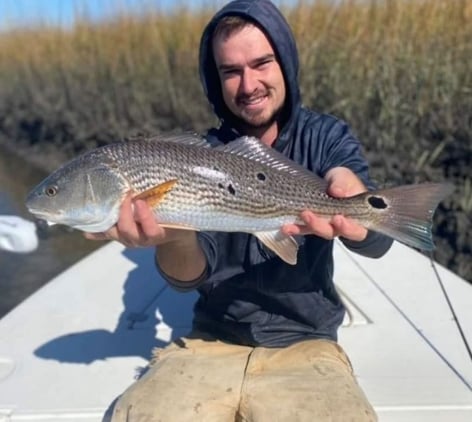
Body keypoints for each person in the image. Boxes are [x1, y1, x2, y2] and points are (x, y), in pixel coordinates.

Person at [90, 1, 393, 420]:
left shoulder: (327, 136)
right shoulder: (201, 156)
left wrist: (354, 203)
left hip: (308, 344)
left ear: (285, 62)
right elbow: (188, 277)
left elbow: (378, 242)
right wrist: (175, 235)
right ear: (215, 80)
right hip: (210, 341)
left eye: (262, 63)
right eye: (231, 71)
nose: (248, 84)